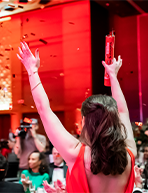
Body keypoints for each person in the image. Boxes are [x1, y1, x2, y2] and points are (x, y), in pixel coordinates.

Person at [17, 42, 137, 192]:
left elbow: (44, 110)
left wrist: (32, 71)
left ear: (85, 122)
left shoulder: (75, 154)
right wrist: (112, 75)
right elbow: (123, 111)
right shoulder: (130, 152)